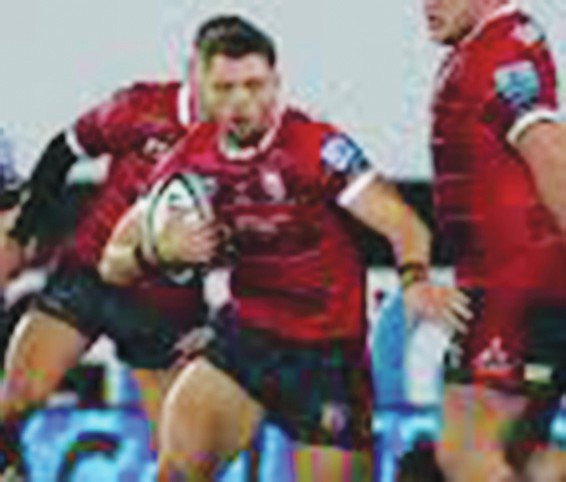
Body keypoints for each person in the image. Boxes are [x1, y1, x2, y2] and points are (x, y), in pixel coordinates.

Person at [100, 15, 472, 482]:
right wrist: (156, 252)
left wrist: (415, 280)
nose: (241, 101)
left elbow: (403, 223)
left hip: (327, 355)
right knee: (174, 474)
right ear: (201, 89)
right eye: (225, 88)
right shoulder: (189, 160)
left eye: (254, 85)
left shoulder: (316, 148)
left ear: (276, 84)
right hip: (247, 339)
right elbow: (111, 263)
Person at [0, 22, 217, 477]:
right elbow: (63, 150)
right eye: (217, 81)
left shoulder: (255, 152)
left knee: (181, 461)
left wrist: (217, 324)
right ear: (191, 71)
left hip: (165, 308)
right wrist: (22, 234)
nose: (228, 96)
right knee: (16, 400)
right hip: (89, 275)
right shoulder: (140, 107)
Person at [399, 0, 566, 480]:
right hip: (514, 285)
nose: (428, 3)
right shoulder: (484, 47)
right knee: (523, 458)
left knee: (466, 455)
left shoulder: (500, 54)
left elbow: (550, 153)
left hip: (514, 290)